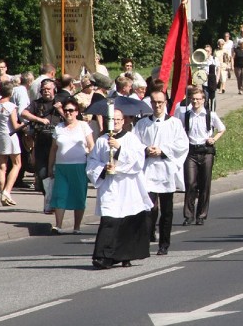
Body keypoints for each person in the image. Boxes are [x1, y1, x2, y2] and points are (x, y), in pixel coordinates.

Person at [87, 110, 153, 269]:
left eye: (118, 120)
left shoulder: (131, 139)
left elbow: (138, 160)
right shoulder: (103, 140)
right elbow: (92, 162)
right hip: (110, 185)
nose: (115, 122)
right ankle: (103, 256)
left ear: (123, 121)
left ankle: (126, 256)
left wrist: (120, 148)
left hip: (127, 185)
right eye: (112, 119)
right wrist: (103, 168)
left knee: (127, 221)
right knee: (109, 220)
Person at [135, 89, 188, 255]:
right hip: (148, 169)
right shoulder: (143, 124)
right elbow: (134, 143)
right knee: (149, 208)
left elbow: (182, 145)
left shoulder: (174, 123)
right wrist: (145, 149)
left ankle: (164, 244)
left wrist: (162, 150)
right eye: (154, 102)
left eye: (160, 102)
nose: (157, 105)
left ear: (165, 103)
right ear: (150, 104)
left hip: (166, 170)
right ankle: (147, 237)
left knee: (167, 210)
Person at [176, 87, 225, 225]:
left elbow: (222, 128)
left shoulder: (210, 115)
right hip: (191, 151)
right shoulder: (186, 115)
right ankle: (188, 215)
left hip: (206, 151)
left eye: (198, 99)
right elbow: (179, 130)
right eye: (193, 99)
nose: (196, 101)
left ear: (204, 100)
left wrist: (214, 139)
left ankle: (201, 215)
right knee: (190, 183)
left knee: (205, 184)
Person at [48, 98, 94, 234]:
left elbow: (91, 145)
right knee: (60, 195)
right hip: (62, 167)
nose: (68, 113)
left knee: (79, 195)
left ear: (76, 112)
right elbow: (53, 149)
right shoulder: (59, 128)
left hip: (79, 166)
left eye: (71, 110)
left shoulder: (83, 126)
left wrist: (92, 161)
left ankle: (77, 227)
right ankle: (59, 225)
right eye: (66, 110)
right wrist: (50, 167)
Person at [21, 78, 62, 200]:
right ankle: (48, 197)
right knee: (42, 174)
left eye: (48, 89)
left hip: (57, 144)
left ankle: (56, 198)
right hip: (41, 143)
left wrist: (60, 110)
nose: (45, 92)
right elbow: (23, 113)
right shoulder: (36, 103)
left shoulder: (61, 102)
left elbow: (73, 118)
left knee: (56, 174)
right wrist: (40, 120)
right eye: (43, 89)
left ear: (54, 89)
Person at [0, 81, 24, 206]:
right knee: (17, 163)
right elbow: (15, 126)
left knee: (2, 166)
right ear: (11, 92)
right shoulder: (11, 106)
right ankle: (7, 191)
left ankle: (2, 194)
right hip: (9, 136)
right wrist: (23, 124)